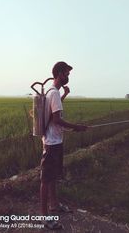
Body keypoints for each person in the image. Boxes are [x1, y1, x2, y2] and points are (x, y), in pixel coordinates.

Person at [40, 61, 87, 230]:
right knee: (46, 179)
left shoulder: (53, 92)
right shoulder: (53, 93)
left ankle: (54, 205)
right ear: (59, 73)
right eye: (66, 74)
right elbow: (57, 119)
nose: (68, 77)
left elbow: (54, 111)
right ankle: (45, 217)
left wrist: (64, 95)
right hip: (52, 143)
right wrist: (77, 127)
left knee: (52, 176)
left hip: (55, 141)